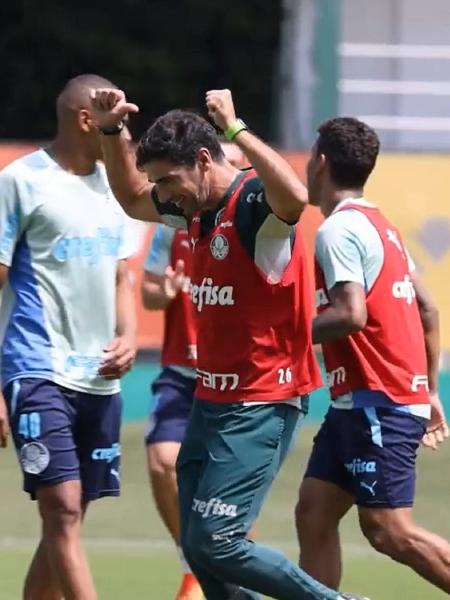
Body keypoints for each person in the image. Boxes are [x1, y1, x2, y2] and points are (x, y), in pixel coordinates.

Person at [90, 86, 369, 600]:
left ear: (202, 158)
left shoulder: (252, 204)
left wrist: (235, 128)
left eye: (169, 180)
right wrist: (112, 131)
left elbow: (295, 197)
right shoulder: (193, 210)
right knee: (198, 547)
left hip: (263, 400)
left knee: (217, 541)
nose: (164, 193)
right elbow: (131, 198)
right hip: (212, 401)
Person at [295, 116, 450, 594]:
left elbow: (350, 314)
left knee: (388, 530)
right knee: (314, 512)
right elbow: (426, 309)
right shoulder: (380, 225)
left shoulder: (337, 231)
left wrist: (282, 334)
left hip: (376, 402)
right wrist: (428, 389)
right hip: (359, 404)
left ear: (320, 163)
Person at [0, 74, 136, 600]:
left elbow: (123, 275)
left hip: (98, 379)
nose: (125, 131)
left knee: (70, 516)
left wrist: (127, 335)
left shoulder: (115, 185)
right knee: (61, 508)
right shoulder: (21, 181)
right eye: (116, 119)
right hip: (37, 368)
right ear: (87, 119)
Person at [142, 141, 249, 600]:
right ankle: (190, 558)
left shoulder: (251, 219)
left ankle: (220, 566)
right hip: (183, 373)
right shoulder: (174, 222)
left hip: (236, 377)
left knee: (227, 487)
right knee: (162, 460)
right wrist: (163, 292)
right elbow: (147, 294)